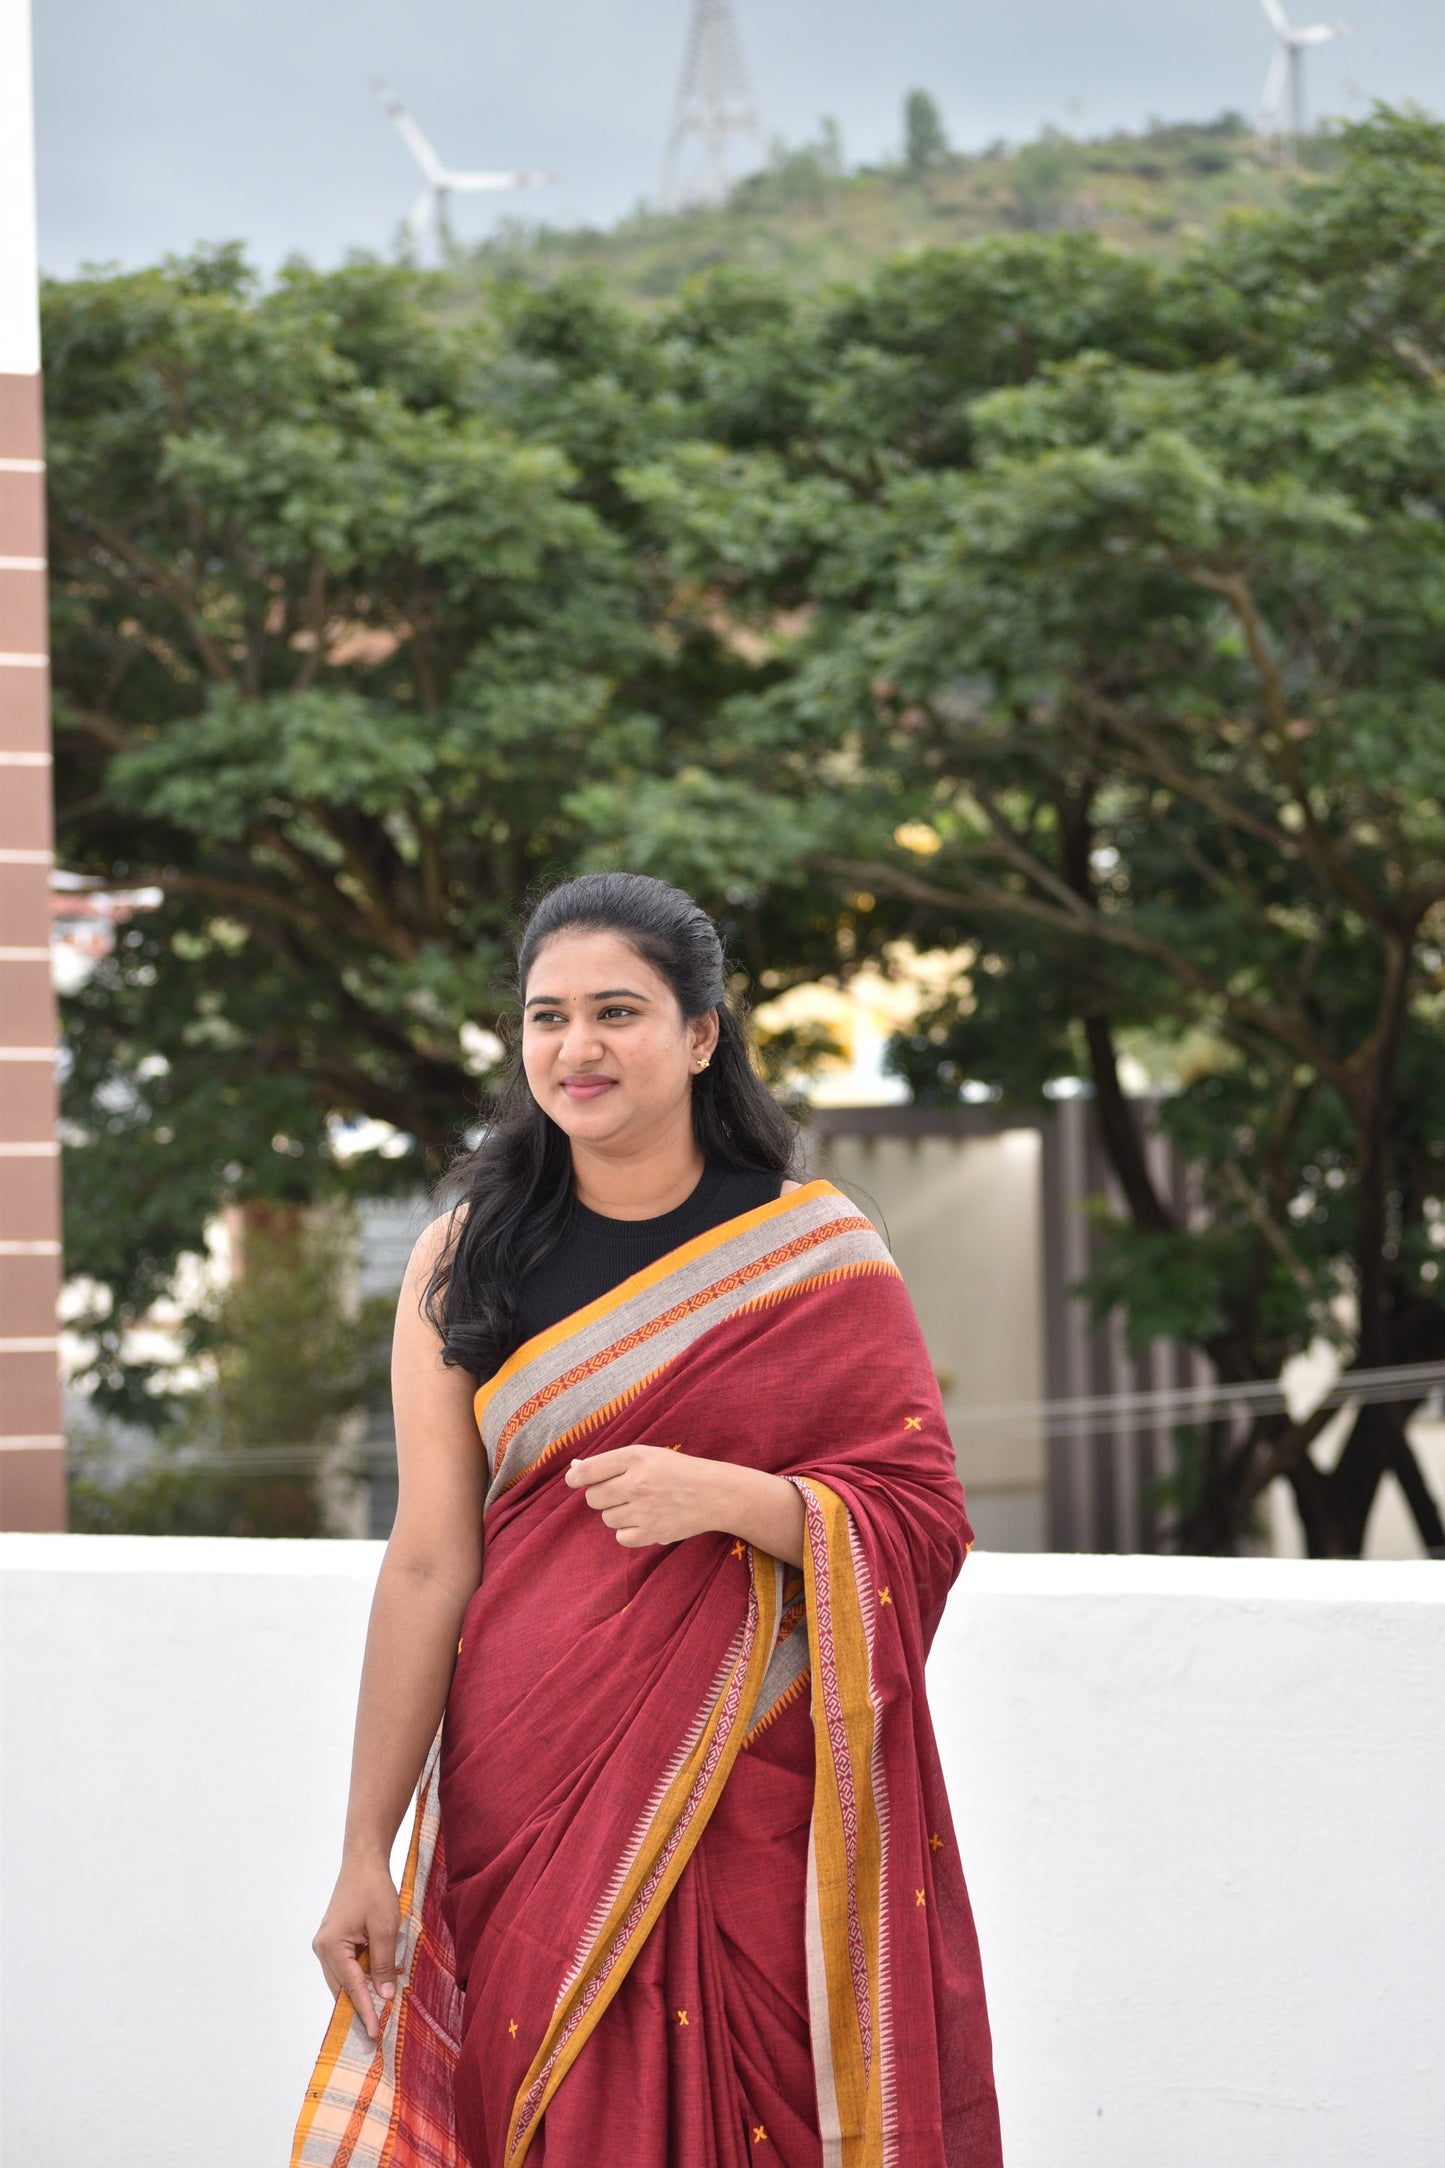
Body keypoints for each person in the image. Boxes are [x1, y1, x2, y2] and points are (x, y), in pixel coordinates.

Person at [294, 872, 1002, 2168]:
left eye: (616, 1011)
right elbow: (427, 1562)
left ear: (697, 1034)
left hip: (752, 1794)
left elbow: (923, 1514)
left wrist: (740, 1502)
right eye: (545, 1015)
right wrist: (362, 1850)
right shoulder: (464, 1259)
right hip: (527, 1776)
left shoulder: (812, 1254)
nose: (576, 1047)